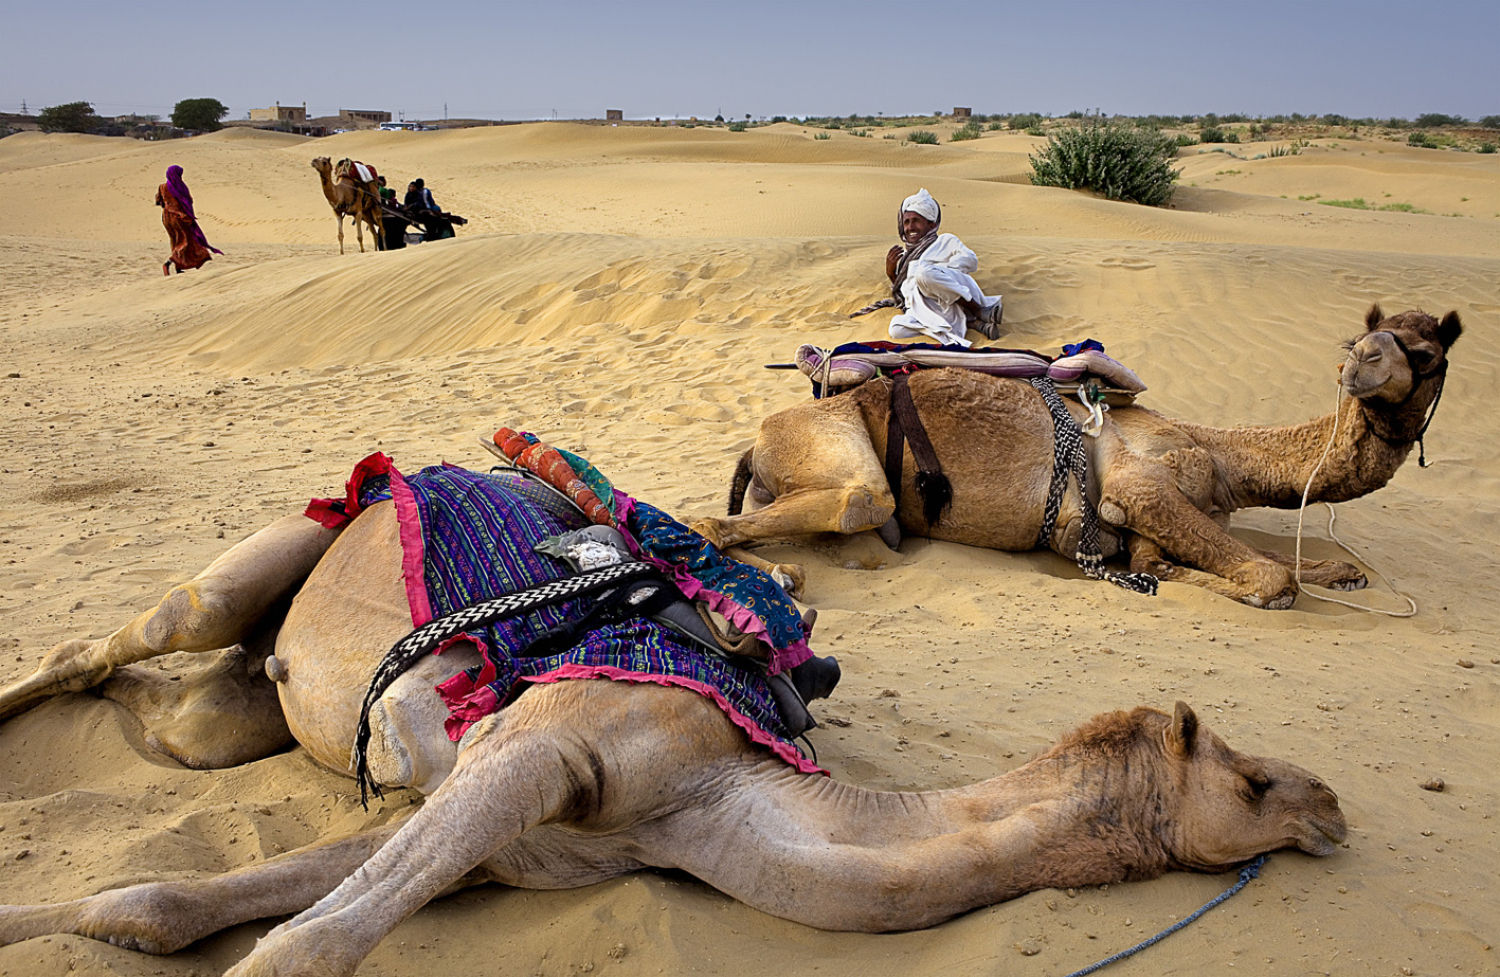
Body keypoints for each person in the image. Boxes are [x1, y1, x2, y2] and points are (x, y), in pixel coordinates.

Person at [851, 188, 1002, 346]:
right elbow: (907, 297)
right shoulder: (906, 259)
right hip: (930, 310)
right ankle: (974, 324)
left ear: (930, 223)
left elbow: (971, 261)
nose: (910, 227)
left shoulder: (945, 241)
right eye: (906, 222)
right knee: (896, 329)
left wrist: (939, 272)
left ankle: (978, 310)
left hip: (957, 298)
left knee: (924, 274)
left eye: (916, 220)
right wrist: (891, 274)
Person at [154, 165, 222, 275]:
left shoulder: (162, 187)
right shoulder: (180, 186)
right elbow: (187, 201)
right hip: (179, 217)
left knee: (175, 240)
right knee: (185, 240)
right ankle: (168, 263)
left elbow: (158, 201)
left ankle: (178, 268)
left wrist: (167, 205)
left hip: (166, 218)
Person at [375, 175, 408, 250]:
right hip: (390, 216)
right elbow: (390, 202)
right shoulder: (383, 190)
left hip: (385, 216)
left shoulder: (375, 189)